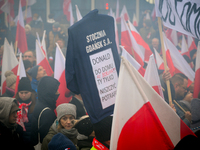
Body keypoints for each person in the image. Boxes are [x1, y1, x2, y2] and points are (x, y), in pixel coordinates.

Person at [31, 76, 60, 146]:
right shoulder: (47, 112)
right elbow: (47, 137)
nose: (58, 93)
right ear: (49, 91)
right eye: (55, 90)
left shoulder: (40, 103)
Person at [15, 77, 37, 150]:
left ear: (31, 92)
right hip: (18, 141)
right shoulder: (14, 105)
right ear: (18, 93)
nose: (24, 95)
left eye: (26, 92)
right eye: (21, 93)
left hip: (32, 142)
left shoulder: (35, 104)